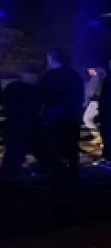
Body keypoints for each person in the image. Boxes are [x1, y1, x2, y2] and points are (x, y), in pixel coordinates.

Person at [38, 49, 84, 183]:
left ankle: (55, 173)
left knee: (54, 144)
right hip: (72, 115)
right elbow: (80, 96)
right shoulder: (75, 75)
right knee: (72, 144)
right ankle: (73, 172)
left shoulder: (49, 76)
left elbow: (43, 95)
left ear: (51, 59)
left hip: (54, 115)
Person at [0, 66, 43, 184]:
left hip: (18, 127)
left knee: (14, 156)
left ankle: (4, 180)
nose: (38, 78)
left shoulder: (12, 88)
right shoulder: (27, 90)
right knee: (16, 155)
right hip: (24, 128)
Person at [82, 65, 104, 137]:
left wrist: (85, 102)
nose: (88, 72)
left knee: (87, 119)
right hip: (100, 102)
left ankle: (97, 137)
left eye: (89, 70)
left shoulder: (96, 78)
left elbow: (90, 92)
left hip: (95, 102)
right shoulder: (102, 77)